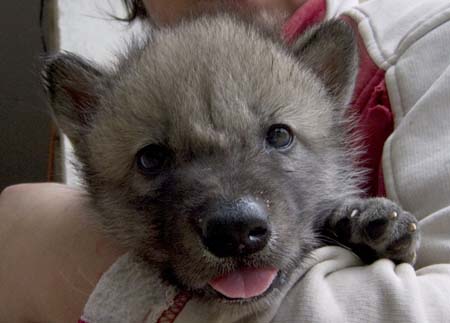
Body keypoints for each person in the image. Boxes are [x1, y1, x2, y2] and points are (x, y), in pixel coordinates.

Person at [1, 0, 450, 322]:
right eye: (155, 160)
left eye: (277, 138)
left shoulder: (422, 40)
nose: (235, 210)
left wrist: (67, 259)